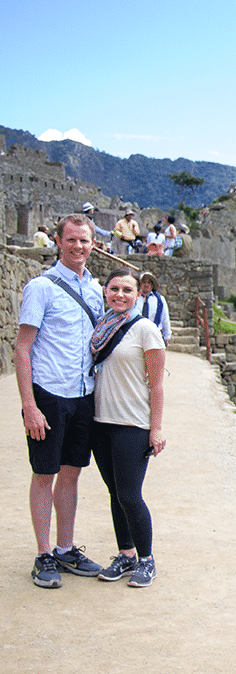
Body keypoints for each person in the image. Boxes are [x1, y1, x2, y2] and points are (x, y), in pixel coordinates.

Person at [16, 214, 105, 588]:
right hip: (49, 395)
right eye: (72, 240)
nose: (78, 246)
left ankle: (66, 548)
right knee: (44, 474)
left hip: (83, 395)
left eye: (85, 241)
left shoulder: (97, 290)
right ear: (58, 241)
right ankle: (42, 554)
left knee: (71, 473)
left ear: (92, 244)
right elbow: (22, 349)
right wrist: (30, 406)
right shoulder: (42, 287)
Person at [91, 268, 167, 588]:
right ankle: (126, 554)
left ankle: (146, 560)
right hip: (100, 422)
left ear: (138, 294)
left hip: (132, 423)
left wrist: (157, 428)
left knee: (130, 495)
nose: (119, 294)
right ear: (105, 291)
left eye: (127, 289)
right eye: (114, 289)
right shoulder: (100, 326)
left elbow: (157, 385)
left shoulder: (146, 329)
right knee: (114, 493)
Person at [139, 272, 172, 345]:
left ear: (152, 285)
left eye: (149, 282)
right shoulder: (135, 298)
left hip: (154, 335)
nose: (146, 285)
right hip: (137, 334)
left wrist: (167, 335)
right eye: (144, 282)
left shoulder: (159, 299)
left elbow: (165, 318)